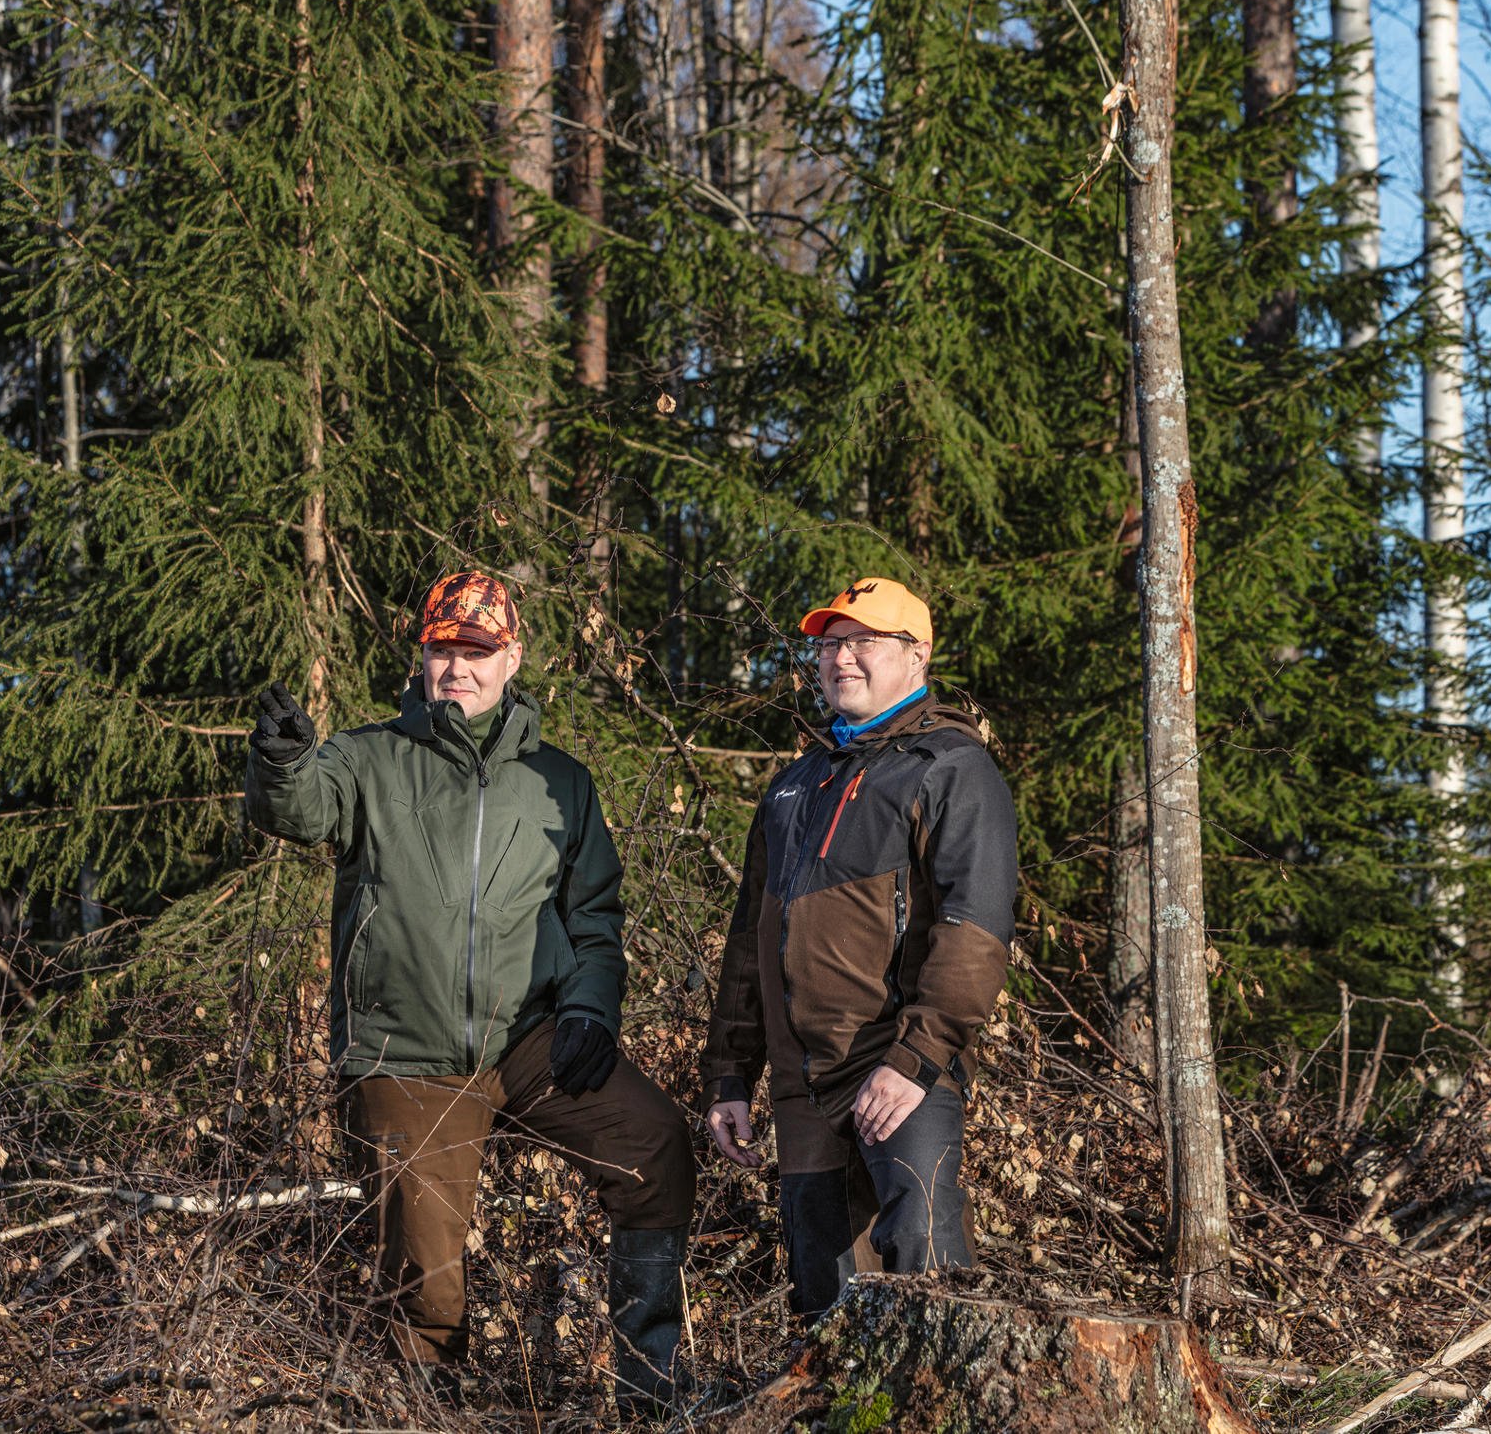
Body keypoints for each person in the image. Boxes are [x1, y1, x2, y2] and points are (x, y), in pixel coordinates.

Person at [245, 570, 694, 1408]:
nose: (458, 667)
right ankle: (424, 1415)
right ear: (421, 657)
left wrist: (592, 1010)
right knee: (429, 1291)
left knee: (654, 1143)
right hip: (407, 1051)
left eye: (477, 651)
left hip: (531, 1039)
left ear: (513, 657)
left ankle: (652, 1388)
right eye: (442, 649)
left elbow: (595, 917)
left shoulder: (563, 782)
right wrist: (282, 760)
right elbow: (300, 809)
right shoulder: (369, 758)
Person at [700, 576, 1018, 1315]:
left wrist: (913, 1061)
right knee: (826, 1303)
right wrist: (727, 1077)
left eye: (863, 642)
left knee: (928, 1285)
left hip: (898, 1072)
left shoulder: (951, 770)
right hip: (800, 1086)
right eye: (830, 644)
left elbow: (974, 934)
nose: (842, 659)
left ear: (918, 655)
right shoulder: (793, 786)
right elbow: (750, 944)